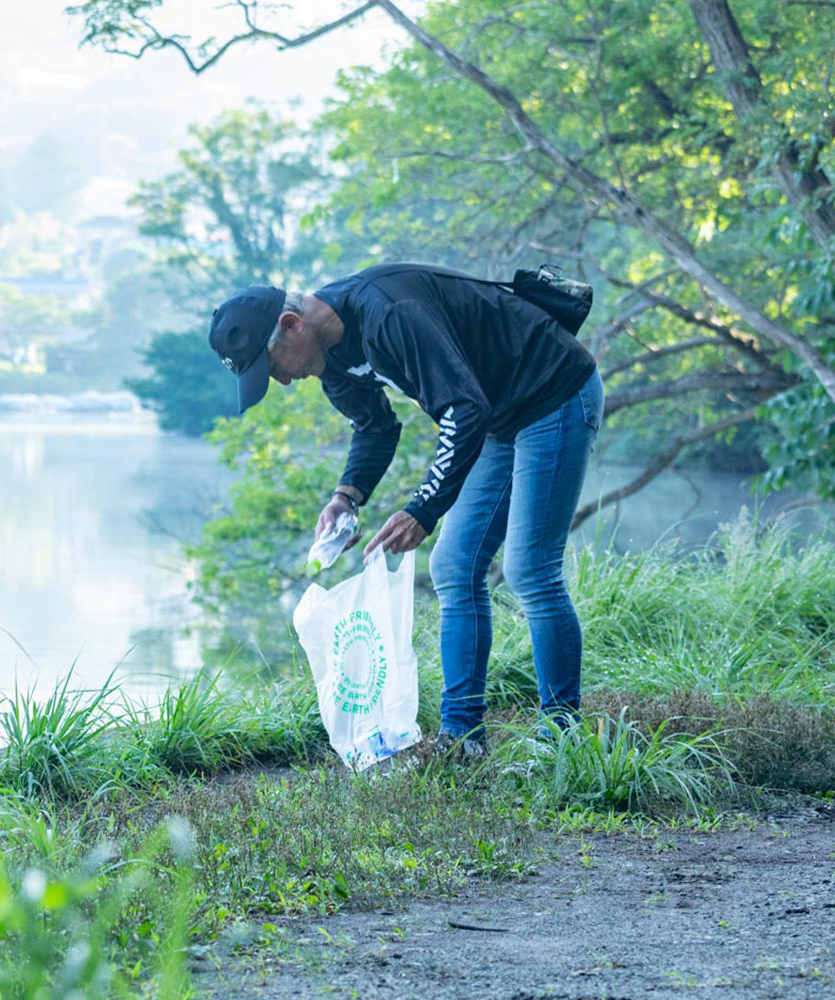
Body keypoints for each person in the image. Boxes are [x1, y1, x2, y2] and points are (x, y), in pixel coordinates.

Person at [207, 262, 604, 755]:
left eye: (273, 368)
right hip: (500, 419)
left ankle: (563, 736)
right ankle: (462, 739)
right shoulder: (330, 356)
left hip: (554, 393)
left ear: (291, 326)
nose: (284, 383)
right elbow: (374, 427)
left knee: (529, 570)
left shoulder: (390, 313)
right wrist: (345, 497)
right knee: (454, 565)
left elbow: (463, 410)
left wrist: (422, 509)